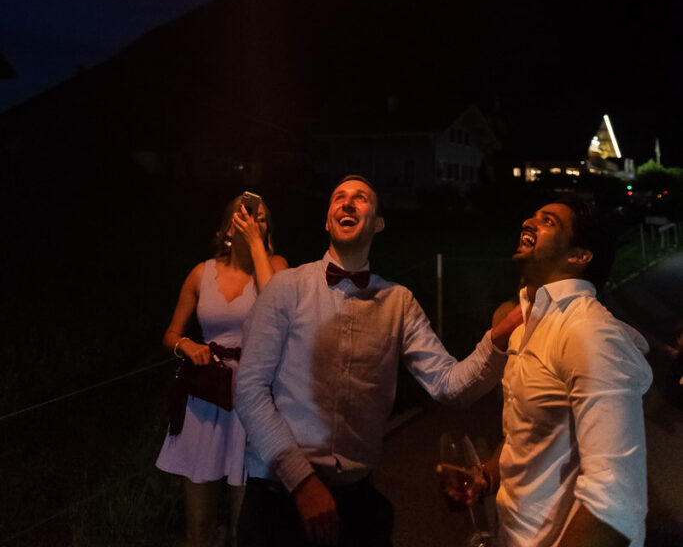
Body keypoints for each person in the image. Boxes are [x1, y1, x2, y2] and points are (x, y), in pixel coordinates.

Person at [234, 175, 522, 547]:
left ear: (378, 223)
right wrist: (302, 481)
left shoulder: (398, 302)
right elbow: (248, 388)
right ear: (327, 220)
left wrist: (500, 335)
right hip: (279, 500)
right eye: (338, 197)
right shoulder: (286, 287)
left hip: (355, 506)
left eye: (361, 198)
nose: (348, 203)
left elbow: (449, 385)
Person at [438, 193, 652, 547]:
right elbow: (527, 433)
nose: (529, 222)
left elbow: (614, 505)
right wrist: (485, 478)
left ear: (578, 256)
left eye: (548, 221)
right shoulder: (524, 324)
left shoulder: (589, 333)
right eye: (533, 216)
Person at [157, 193, 288, 547]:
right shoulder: (201, 273)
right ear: (228, 224)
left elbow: (281, 308)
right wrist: (186, 345)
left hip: (253, 401)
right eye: (245, 215)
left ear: (267, 229)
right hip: (206, 400)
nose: (252, 221)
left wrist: (258, 248)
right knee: (197, 527)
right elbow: (171, 333)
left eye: (260, 218)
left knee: (245, 526)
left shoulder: (276, 268)